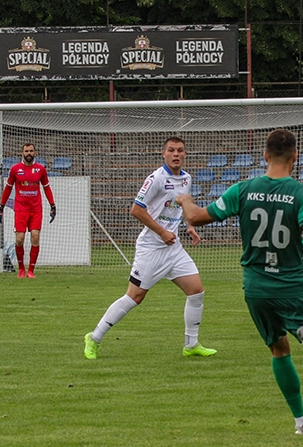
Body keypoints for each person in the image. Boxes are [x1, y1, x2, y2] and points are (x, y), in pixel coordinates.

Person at [176, 128, 303, 435]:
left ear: (264, 155)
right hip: (294, 286)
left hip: (256, 288)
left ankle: (302, 422)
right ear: (295, 157)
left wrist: (185, 200)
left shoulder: (243, 190)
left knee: (278, 349)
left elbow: (197, 217)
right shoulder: (300, 194)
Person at [84, 137, 216, 360]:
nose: (176, 154)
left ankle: (191, 345)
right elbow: (136, 209)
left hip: (173, 248)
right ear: (163, 154)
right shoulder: (156, 178)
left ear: (185, 154)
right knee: (134, 297)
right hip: (152, 248)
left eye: (180, 151)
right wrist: (162, 232)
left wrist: (190, 226)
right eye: (171, 150)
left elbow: (182, 207)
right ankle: (94, 337)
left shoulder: (186, 179)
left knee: (196, 291)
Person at [0, 142, 56, 278]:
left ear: (35, 153)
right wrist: (1, 206)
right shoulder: (15, 169)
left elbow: (46, 187)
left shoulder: (40, 169)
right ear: (22, 153)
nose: (29, 153)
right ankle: (21, 269)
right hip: (21, 209)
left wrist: (52, 205)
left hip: (36, 209)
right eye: (26, 151)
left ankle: (31, 271)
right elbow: (8, 188)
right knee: (19, 239)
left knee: (35, 237)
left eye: (31, 151)